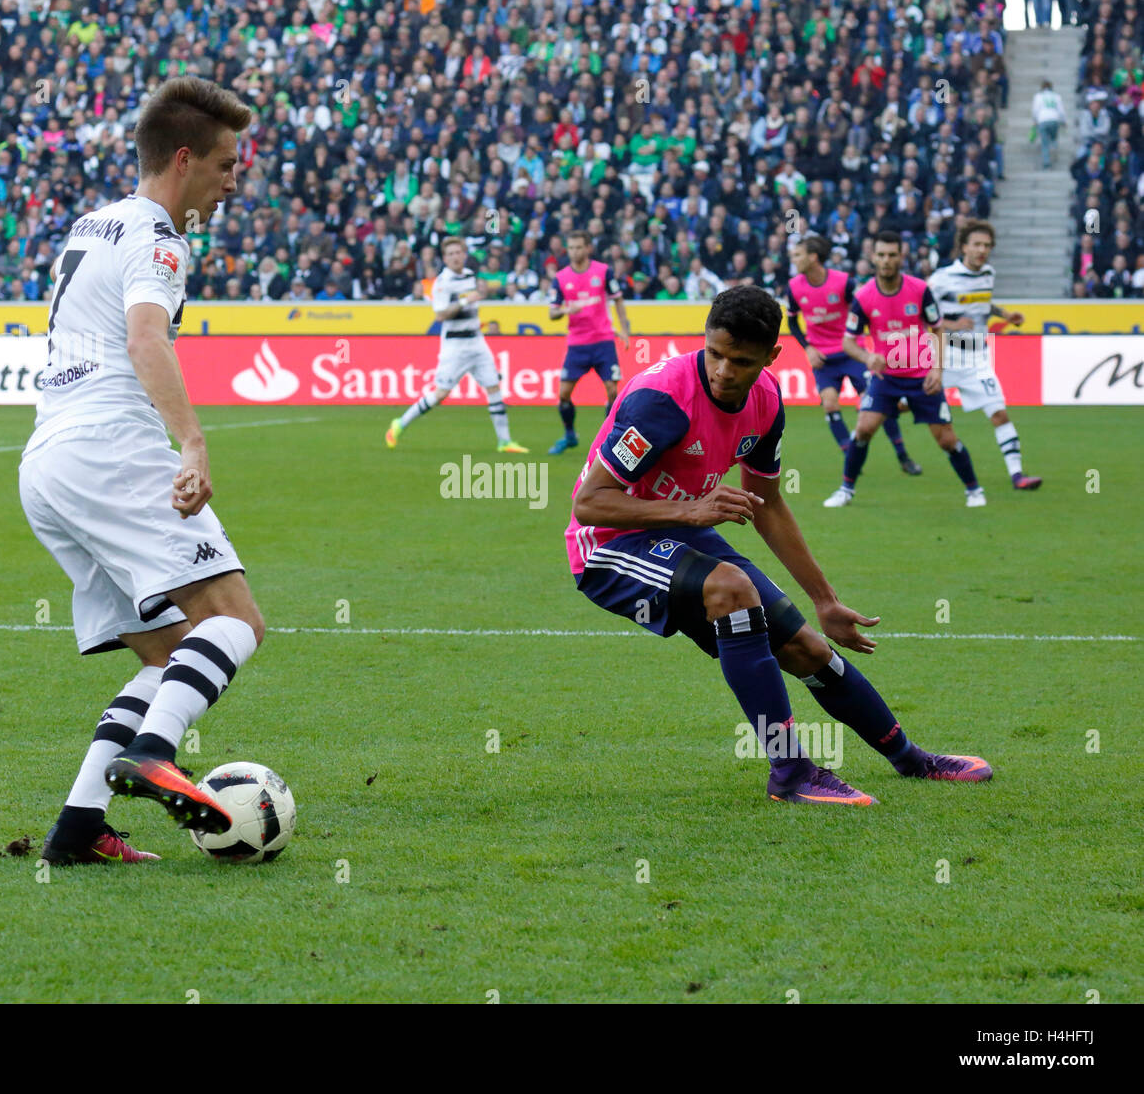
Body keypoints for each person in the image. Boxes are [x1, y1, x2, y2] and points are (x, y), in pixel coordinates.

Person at [567, 285, 992, 806]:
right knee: (730, 588)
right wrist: (690, 510)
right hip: (609, 545)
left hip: (682, 528)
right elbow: (591, 504)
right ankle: (790, 772)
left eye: (740, 361)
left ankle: (910, 758)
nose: (723, 371)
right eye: (715, 353)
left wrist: (825, 598)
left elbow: (766, 501)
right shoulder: (661, 401)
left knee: (809, 648)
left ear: (771, 357)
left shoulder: (767, 401)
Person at [19, 77, 265, 865]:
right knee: (236, 621)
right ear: (185, 158)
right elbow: (145, 340)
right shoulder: (160, 235)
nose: (235, 182)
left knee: (168, 656)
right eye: (227, 165)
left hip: (49, 462)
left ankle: (79, 827)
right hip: (110, 451)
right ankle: (153, 753)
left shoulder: (96, 223)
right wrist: (192, 445)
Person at [824, 231, 986, 509]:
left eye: (892, 255)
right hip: (885, 379)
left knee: (946, 440)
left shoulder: (920, 290)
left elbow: (937, 328)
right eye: (882, 255)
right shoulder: (863, 297)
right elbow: (848, 342)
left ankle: (974, 490)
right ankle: (845, 489)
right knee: (863, 429)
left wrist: (937, 368)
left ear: (902, 256)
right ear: (873, 257)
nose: (887, 260)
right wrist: (867, 357)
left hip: (922, 377)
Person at [787, 235, 920, 475]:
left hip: (851, 354)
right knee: (829, 404)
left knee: (877, 405)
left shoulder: (843, 283)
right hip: (823, 358)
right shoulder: (794, 286)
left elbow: (864, 310)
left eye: (797, 255)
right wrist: (807, 348)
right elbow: (792, 321)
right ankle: (851, 456)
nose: (793, 259)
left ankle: (903, 456)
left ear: (813, 257)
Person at [386, 236, 528, 453]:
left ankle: (504, 441)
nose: (454, 257)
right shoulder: (443, 283)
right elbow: (441, 314)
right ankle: (400, 423)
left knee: (493, 388)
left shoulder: (470, 275)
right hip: (455, 346)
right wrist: (463, 301)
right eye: (450, 254)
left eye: (458, 252)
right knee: (440, 394)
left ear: (464, 254)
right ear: (445, 258)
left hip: (477, 342)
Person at [929, 220, 1042, 491]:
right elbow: (923, 314)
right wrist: (952, 325)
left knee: (999, 414)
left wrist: (1005, 314)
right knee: (900, 405)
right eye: (977, 244)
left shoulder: (988, 273)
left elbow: (980, 302)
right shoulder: (941, 279)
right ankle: (877, 443)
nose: (982, 250)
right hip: (944, 356)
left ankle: (1018, 476)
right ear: (964, 247)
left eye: (987, 246)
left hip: (976, 358)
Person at [547, 230, 631, 455]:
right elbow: (552, 313)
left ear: (587, 248)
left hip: (603, 341)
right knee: (564, 394)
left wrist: (624, 329)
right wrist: (566, 309)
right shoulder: (561, 277)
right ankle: (570, 434)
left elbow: (618, 300)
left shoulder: (603, 271)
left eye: (578, 247)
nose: (575, 251)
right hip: (577, 344)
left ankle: (608, 440)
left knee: (612, 390)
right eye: (571, 248)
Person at [1032, 80, 1067, 170]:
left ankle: (1046, 162)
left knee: (1044, 142)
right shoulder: (1056, 96)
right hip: (1054, 118)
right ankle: (1054, 149)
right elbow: (1061, 110)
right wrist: (1063, 121)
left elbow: (1035, 109)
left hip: (1043, 119)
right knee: (1053, 138)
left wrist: (1035, 120)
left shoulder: (1038, 96)